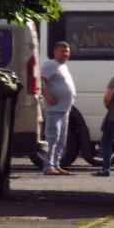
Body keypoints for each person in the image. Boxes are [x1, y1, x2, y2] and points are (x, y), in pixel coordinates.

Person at [40, 41, 76, 176]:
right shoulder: (50, 65)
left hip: (64, 109)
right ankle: (48, 166)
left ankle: (56, 165)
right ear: (55, 52)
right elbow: (39, 79)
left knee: (61, 140)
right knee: (52, 138)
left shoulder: (63, 66)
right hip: (54, 109)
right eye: (62, 51)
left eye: (67, 51)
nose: (65, 54)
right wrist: (47, 95)